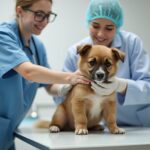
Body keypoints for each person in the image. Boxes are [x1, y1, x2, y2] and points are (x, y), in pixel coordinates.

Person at [0, 0, 90, 149]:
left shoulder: (37, 46)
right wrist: (70, 77)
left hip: (8, 130)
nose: (45, 21)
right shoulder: (3, 36)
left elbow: (49, 86)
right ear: (20, 11)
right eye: (39, 14)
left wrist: (66, 88)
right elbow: (29, 72)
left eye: (48, 15)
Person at [54, 0, 150, 127]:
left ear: (117, 27)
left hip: (140, 123)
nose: (100, 34)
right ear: (88, 23)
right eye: (95, 26)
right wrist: (65, 88)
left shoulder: (132, 44)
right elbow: (61, 101)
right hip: (102, 126)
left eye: (109, 28)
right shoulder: (76, 52)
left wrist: (122, 86)